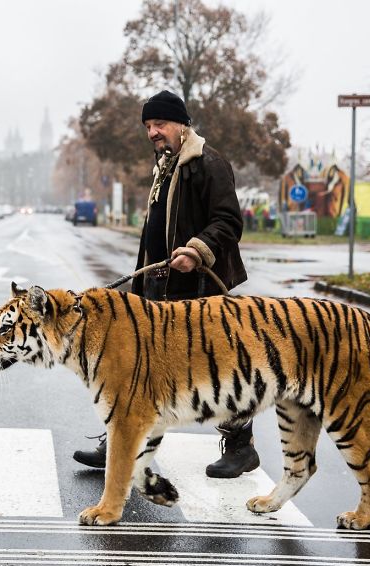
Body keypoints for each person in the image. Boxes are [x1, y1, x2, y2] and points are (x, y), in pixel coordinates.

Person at [72, 91, 259, 479]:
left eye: (159, 124)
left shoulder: (209, 163)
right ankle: (123, 443)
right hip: (159, 287)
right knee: (140, 369)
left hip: (199, 290)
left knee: (218, 368)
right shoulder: (166, 164)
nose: (153, 132)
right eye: (148, 126)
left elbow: (228, 222)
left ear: (181, 124)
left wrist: (196, 251)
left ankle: (241, 448)